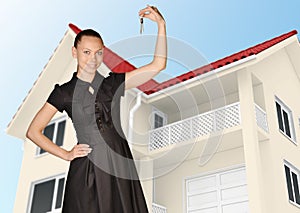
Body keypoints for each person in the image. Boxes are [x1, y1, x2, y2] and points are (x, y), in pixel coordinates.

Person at [26, 5, 166, 213]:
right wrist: (65, 154)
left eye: (98, 53)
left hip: (119, 164)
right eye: (87, 52)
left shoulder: (113, 83)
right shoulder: (64, 93)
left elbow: (157, 66)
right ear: (74, 52)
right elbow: (33, 131)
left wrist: (161, 25)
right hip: (88, 170)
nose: (93, 58)